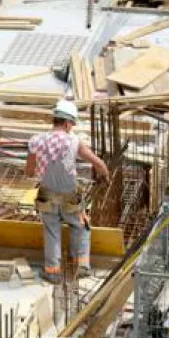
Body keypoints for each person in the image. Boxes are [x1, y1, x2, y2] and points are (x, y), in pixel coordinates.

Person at [25, 100, 109, 284]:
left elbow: (29, 171)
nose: (71, 128)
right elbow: (98, 163)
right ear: (66, 122)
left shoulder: (36, 141)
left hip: (46, 194)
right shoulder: (74, 141)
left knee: (51, 230)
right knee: (80, 226)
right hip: (70, 195)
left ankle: (53, 271)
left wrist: (38, 170)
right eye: (71, 124)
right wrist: (105, 176)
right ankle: (81, 266)